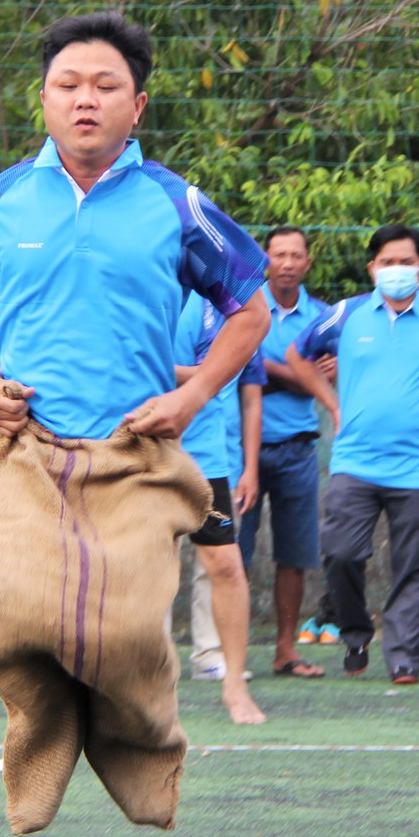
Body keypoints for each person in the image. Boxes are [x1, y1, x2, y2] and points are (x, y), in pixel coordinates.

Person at [0, 11, 270, 833]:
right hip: (27, 448)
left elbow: (250, 313)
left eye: (105, 86)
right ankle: (44, 745)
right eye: (68, 85)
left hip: (134, 455)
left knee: (125, 632)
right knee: (13, 603)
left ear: (138, 104)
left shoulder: (178, 204)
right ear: (44, 98)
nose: (84, 100)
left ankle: (139, 756)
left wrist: (190, 398)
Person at [293, 224, 419, 684]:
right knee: (339, 553)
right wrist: (332, 403)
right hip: (355, 461)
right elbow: (299, 355)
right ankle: (355, 631)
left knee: (414, 565)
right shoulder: (345, 315)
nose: (397, 270)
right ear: (372, 267)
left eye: (406, 262)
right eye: (388, 262)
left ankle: (403, 658)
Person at [241, 225, 335, 676]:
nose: (288, 263)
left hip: (299, 447)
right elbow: (240, 366)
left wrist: (265, 372)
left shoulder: (323, 318)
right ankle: (230, 653)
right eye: (279, 254)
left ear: (308, 263)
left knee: (295, 555)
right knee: (233, 553)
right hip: (243, 451)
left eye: (297, 255)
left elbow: (325, 381)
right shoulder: (244, 308)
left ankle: (285, 650)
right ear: (266, 260)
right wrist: (298, 374)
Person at [176, 293, 268, 725]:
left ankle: (234, 684)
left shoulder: (224, 300)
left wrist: (198, 379)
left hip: (205, 453)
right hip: (135, 445)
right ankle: (143, 675)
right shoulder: (133, 280)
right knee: (134, 565)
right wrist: (202, 376)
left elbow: (238, 371)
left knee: (225, 564)